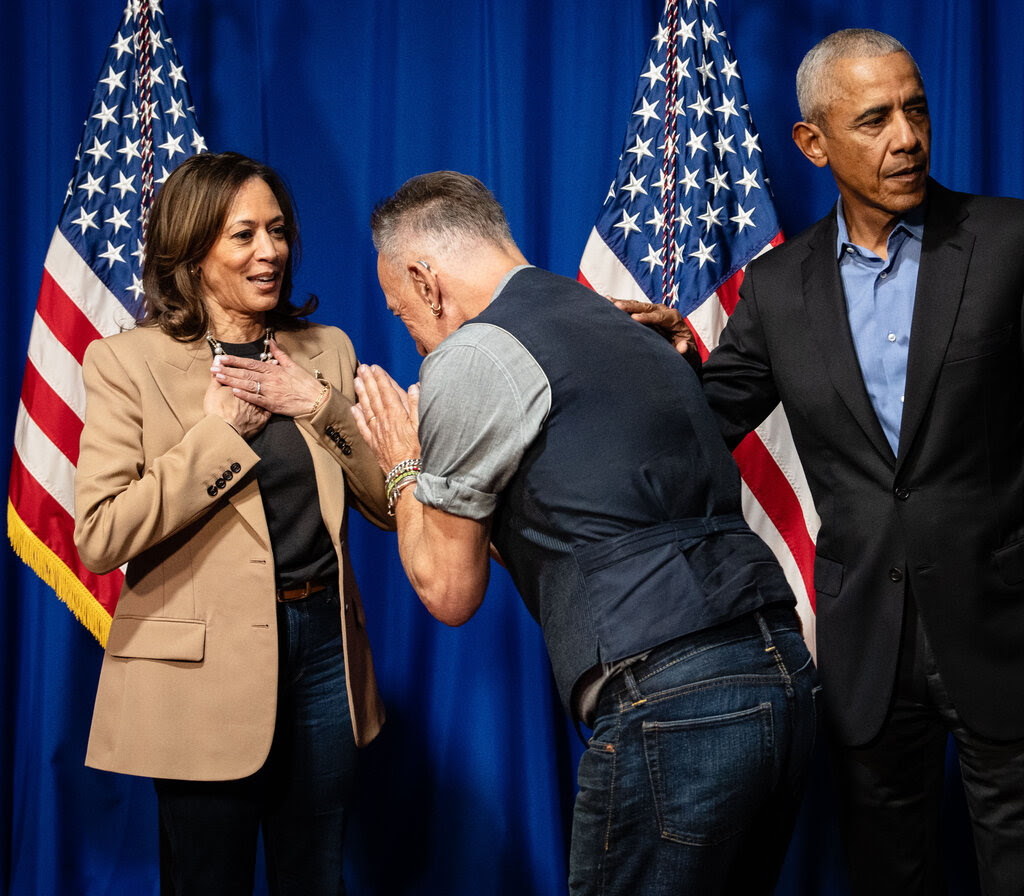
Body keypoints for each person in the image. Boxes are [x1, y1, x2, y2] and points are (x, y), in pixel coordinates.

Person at [618, 28, 1024, 894]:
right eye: (874, 120)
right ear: (813, 143)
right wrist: (640, 362)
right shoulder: (776, 289)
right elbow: (702, 420)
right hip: (866, 646)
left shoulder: (1008, 240)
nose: (906, 137)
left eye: (914, 109)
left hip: (1004, 623)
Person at [351, 170, 818, 895]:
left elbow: (447, 591)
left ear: (426, 279)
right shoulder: (617, 321)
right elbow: (582, 520)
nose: (411, 335)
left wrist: (404, 466)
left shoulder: (472, 355)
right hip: (780, 671)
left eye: (403, 311)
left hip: (673, 696)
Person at [74, 151, 392, 895]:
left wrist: (317, 406)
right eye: (243, 235)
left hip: (322, 651)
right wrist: (218, 436)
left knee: (315, 876)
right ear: (192, 251)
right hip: (200, 671)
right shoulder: (127, 363)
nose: (269, 251)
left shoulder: (326, 351)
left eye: (277, 231)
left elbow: (386, 502)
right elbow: (100, 533)